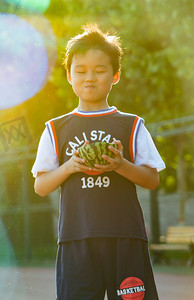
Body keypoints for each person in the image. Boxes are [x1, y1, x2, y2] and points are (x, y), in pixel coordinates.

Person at [32, 24, 165, 299]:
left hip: (125, 236)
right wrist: (70, 166)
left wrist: (120, 165)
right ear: (69, 76)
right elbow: (41, 186)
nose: (89, 78)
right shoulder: (55, 129)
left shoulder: (132, 125)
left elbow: (152, 180)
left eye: (100, 70)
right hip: (75, 238)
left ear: (115, 75)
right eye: (80, 71)